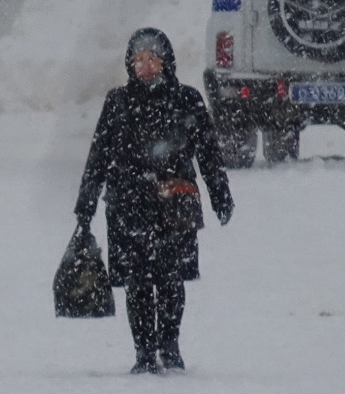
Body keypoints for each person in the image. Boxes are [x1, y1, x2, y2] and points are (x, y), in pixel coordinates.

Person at [74, 28, 234, 374]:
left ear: (166, 61)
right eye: (138, 60)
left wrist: (220, 193)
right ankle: (144, 352)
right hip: (129, 205)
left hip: (174, 203)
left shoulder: (187, 100)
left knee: (171, 278)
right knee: (137, 282)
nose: (144, 67)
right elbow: (98, 155)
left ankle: (170, 346)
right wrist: (86, 202)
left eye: (152, 59)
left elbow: (208, 153)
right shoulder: (117, 102)